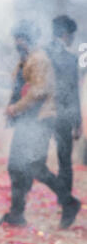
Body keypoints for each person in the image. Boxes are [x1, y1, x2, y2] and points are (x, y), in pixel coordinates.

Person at [0, 20, 81, 229]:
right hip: (27, 122)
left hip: (40, 120)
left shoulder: (39, 59)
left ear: (26, 39)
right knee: (17, 166)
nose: (16, 43)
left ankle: (69, 202)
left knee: (35, 167)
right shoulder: (26, 60)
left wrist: (15, 109)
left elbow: (39, 91)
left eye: (19, 38)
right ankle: (17, 214)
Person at [46, 15, 82, 197]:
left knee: (34, 162)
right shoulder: (69, 59)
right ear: (66, 34)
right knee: (64, 162)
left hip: (45, 115)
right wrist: (77, 122)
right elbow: (73, 92)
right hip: (60, 115)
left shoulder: (40, 52)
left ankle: (66, 201)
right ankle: (66, 200)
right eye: (72, 35)